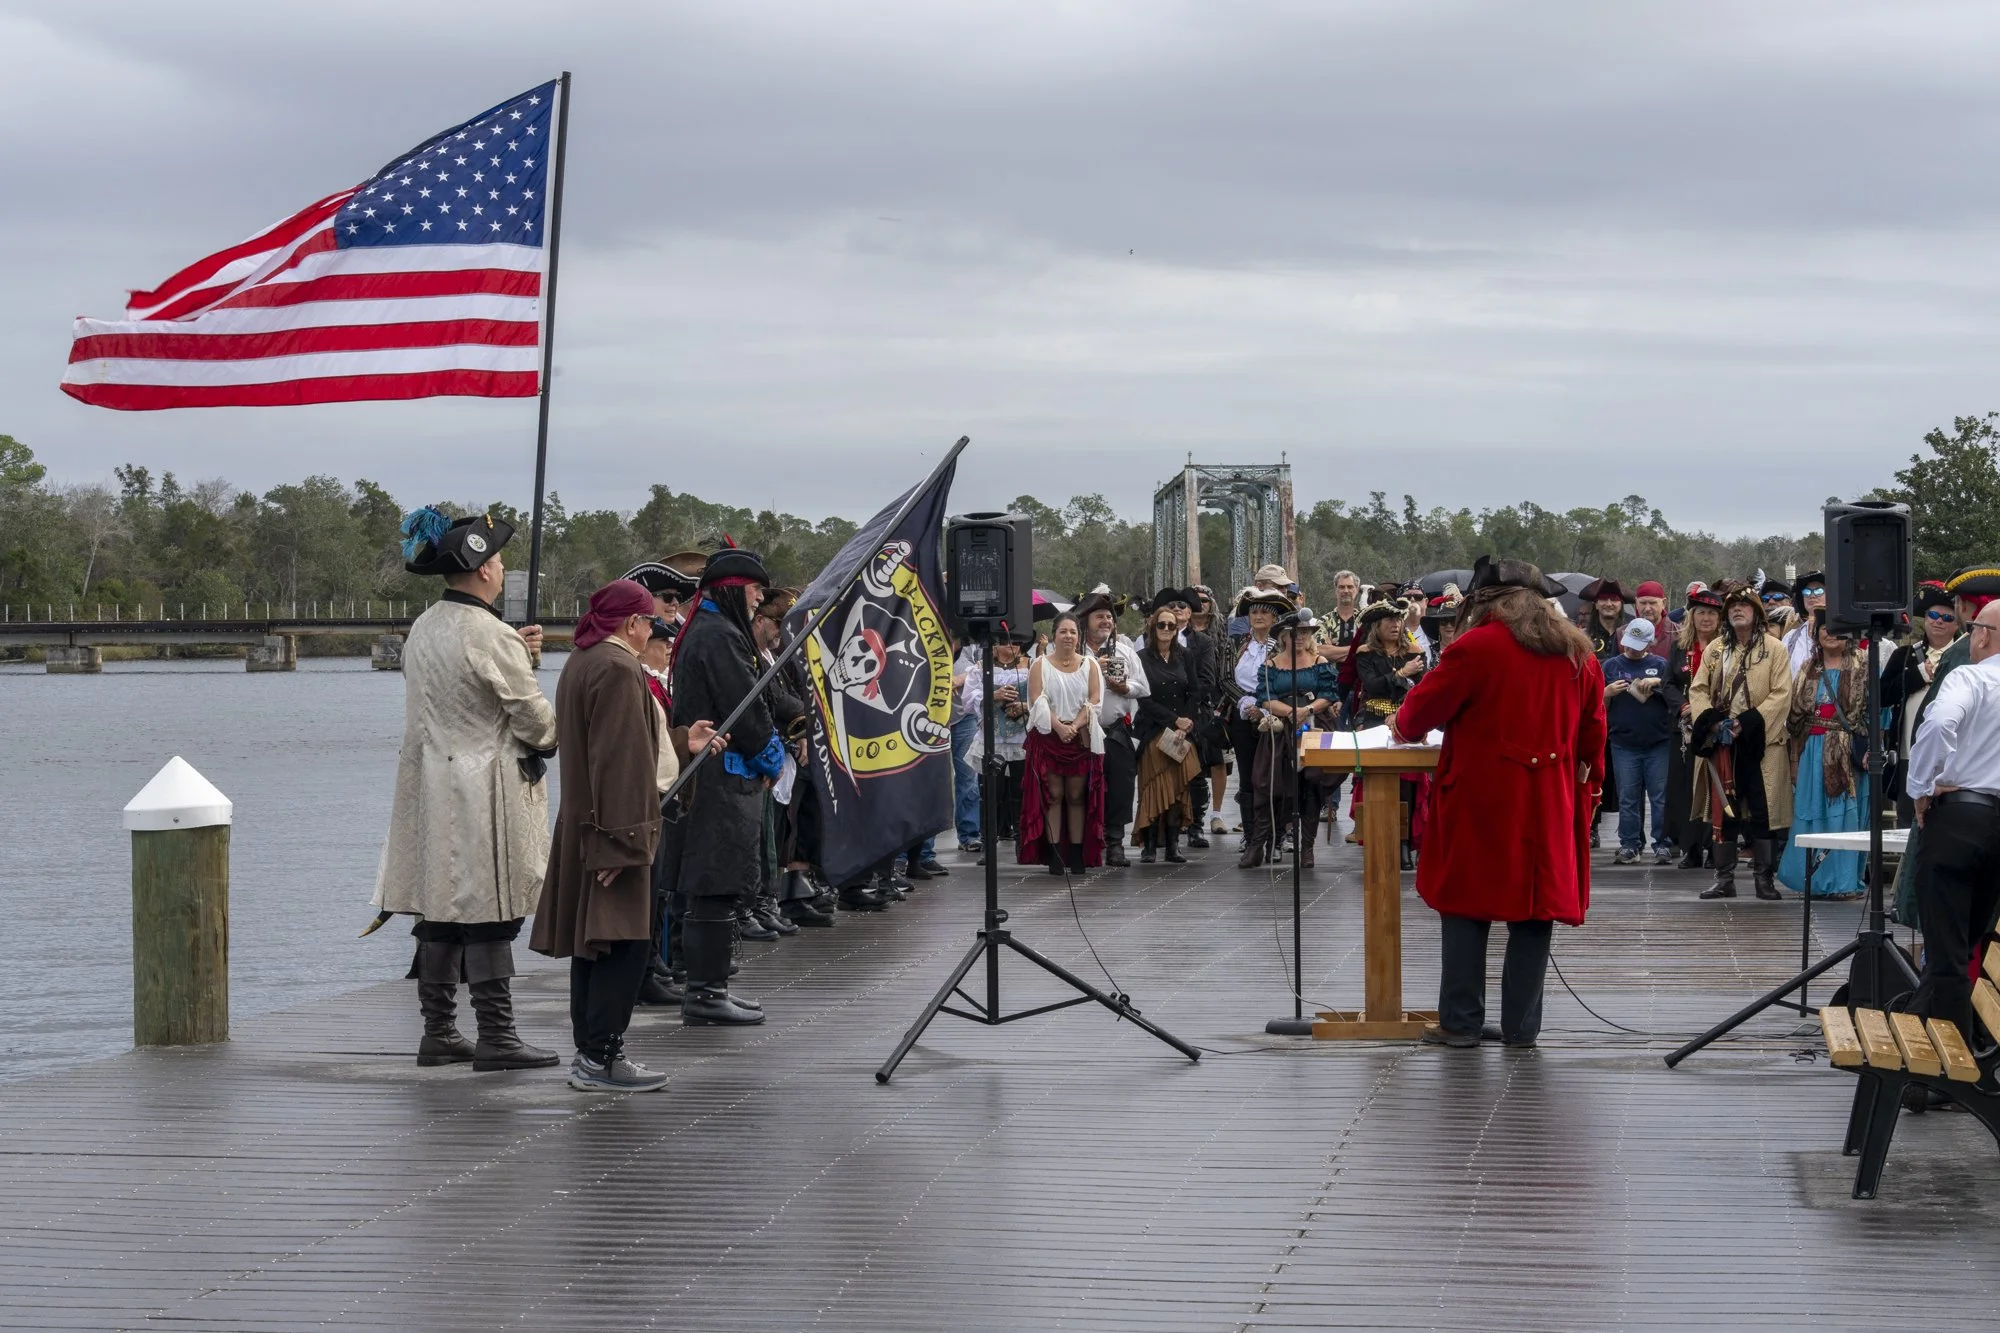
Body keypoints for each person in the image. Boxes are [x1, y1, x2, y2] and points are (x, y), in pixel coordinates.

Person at [373, 507, 562, 1072]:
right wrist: (528, 675)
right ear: (482, 570)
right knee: (489, 913)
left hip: (429, 787)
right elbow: (534, 722)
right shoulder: (492, 634)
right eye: (498, 561)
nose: (501, 569)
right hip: (485, 790)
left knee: (439, 912)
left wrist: (517, 651)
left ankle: (438, 1033)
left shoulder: (423, 628)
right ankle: (498, 1038)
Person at [1390, 556, 1605, 1049]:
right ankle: (1522, 1028)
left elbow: (1415, 717)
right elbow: (1594, 734)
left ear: (1487, 603)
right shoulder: (1579, 653)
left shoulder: (1475, 648)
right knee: (1534, 910)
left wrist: (1398, 725)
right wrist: (1585, 786)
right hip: (1548, 801)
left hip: (1480, 800)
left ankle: (1461, 1023)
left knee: (1466, 905)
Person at [532, 580, 692, 1092]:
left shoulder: (582, 661)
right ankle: (602, 1058)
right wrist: (622, 844)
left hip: (589, 825)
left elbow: (626, 748)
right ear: (632, 623)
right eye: (649, 622)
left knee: (593, 946)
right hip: (618, 832)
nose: (652, 632)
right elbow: (619, 763)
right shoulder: (619, 668)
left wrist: (683, 743)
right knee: (623, 945)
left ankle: (590, 1054)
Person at [668, 545, 783, 1026]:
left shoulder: (712, 630)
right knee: (714, 883)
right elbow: (745, 708)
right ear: (734, 590)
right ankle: (705, 991)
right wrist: (772, 755)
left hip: (720, 774)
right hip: (719, 777)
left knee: (720, 884)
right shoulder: (718, 636)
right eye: (754, 590)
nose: (759, 599)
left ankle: (711, 985)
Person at [1904, 597, 2000, 1041]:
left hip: (1961, 819)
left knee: (1947, 953)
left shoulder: (1972, 676)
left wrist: (1921, 788)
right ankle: (1934, 1046)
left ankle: (1949, 1062)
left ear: (1982, 636)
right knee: (1966, 943)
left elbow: (1941, 722)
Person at [1892, 565, 2000, 923]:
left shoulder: (1964, 662)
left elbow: (1937, 723)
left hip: (1959, 807)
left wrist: (1922, 788)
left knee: (1948, 926)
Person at [1687, 582, 1793, 901]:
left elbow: (1781, 693)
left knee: (1763, 811)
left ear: (1756, 613)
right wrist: (1712, 721)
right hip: (1723, 741)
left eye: (1743, 606)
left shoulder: (1775, 649)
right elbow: (1698, 689)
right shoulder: (1716, 648)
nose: (1737, 610)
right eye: (1732, 607)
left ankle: (1764, 880)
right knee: (1725, 811)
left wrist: (1745, 723)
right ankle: (1724, 880)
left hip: (1761, 743)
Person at [1775, 616, 1870, 898]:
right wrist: (1794, 759)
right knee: (1811, 812)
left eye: (1837, 628)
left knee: (1846, 816)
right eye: (1824, 628)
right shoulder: (1808, 667)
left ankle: (1844, 882)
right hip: (1812, 750)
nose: (1830, 633)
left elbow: (1875, 712)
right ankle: (1812, 879)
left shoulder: (1863, 664)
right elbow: (1795, 719)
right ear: (1816, 635)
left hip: (1847, 751)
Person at [1020, 611, 1105, 874]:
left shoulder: (1090, 665)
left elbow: (1094, 699)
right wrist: (1058, 727)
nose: (1068, 636)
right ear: (1054, 635)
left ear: (1079, 637)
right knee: (1054, 795)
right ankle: (1055, 854)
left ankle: (1077, 854)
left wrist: (1075, 726)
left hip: (1079, 738)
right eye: (1063, 631)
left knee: (1076, 796)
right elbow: (1037, 700)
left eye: (1073, 632)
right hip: (1050, 737)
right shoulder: (1040, 665)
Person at [1254, 612, 1340, 867]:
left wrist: (1307, 710)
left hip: (1314, 726)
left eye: (1304, 632)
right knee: (1274, 784)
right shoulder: (1271, 664)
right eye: (1294, 633)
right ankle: (1269, 843)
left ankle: (1307, 848)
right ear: (1283, 637)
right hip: (1281, 730)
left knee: (1311, 784)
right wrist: (1291, 711)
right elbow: (1265, 698)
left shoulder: (1320, 661)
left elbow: (1329, 693)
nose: (1300, 637)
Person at [1602, 618, 1679, 865]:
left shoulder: (1661, 665)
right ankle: (1629, 844)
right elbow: (1593, 703)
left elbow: (1675, 696)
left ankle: (1663, 843)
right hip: (1623, 742)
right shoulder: (1611, 666)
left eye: (1639, 645)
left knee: (1660, 796)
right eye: (1629, 644)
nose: (1633, 649)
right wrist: (1606, 693)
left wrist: (1657, 683)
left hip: (1658, 741)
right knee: (1628, 797)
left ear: (1650, 642)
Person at [1882, 582, 1960, 820]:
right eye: (1933, 616)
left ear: (1957, 624)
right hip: (1909, 753)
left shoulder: (1965, 657)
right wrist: (1917, 675)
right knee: (1908, 820)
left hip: (1954, 757)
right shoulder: (1903, 655)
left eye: (1947, 618)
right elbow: (1881, 696)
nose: (1939, 622)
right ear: (1925, 619)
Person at [1081, 592, 1148, 867]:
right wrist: (1093, 669)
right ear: (1085, 621)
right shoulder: (1074, 653)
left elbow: (1143, 687)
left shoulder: (1124, 651)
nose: (1106, 621)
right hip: (1083, 731)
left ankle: (1115, 843)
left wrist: (1124, 687)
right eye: (1100, 617)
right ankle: (1086, 843)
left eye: (1109, 617)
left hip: (1116, 730)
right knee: (1082, 788)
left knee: (1120, 787)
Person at [1132, 600, 1201, 863]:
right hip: (1153, 729)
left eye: (1171, 626)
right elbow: (1143, 698)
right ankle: (1150, 846)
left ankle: (1173, 845)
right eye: (1161, 625)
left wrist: (1187, 722)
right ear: (1153, 627)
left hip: (1182, 733)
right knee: (1154, 787)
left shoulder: (1186, 655)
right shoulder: (1141, 658)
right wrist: (1174, 720)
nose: (1166, 629)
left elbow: (1194, 692)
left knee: (1178, 788)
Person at [1228, 589, 1290, 866]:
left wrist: (1265, 705)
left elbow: (1288, 680)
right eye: (1254, 611)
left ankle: (1275, 839)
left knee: (1273, 778)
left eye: (1264, 612)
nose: (1258, 616)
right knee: (1247, 779)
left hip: (1275, 718)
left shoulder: (1284, 646)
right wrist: (1245, 702)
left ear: (1275, 618)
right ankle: (1252, 838)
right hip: (1242, 716)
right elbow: (1224, 678)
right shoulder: (1237, 644)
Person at [1666, 586, 1725, 869]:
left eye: (1712, 613)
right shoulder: (1679, 647)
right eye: (1701, 612)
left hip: (1714, 726)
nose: (1706, 618)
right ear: (1692, 616)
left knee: (1715, 786)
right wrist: (1683, 706)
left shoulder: (1726, 647)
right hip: (1684, 729)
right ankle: (1690, 848)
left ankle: (1714, 847)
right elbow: (1668, 684)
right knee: (1684, 788)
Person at [1186, 586, 1233, 840]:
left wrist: (1225, 701)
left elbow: (1228, 668)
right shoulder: (1177, 631)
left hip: (1217, 700)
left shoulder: (1222, 632)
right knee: (1187, 757)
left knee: (1218, 760)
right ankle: (1188, 814)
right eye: (1195, 600)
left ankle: (1216, 814)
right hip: (1186, 702)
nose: (1200, 604)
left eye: (1204, 600)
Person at [1781, 570, 1827, 674]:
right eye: (1806, 592)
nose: (1812, 596)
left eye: (1819, 591)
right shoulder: (1790, 638)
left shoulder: (1842, 634)